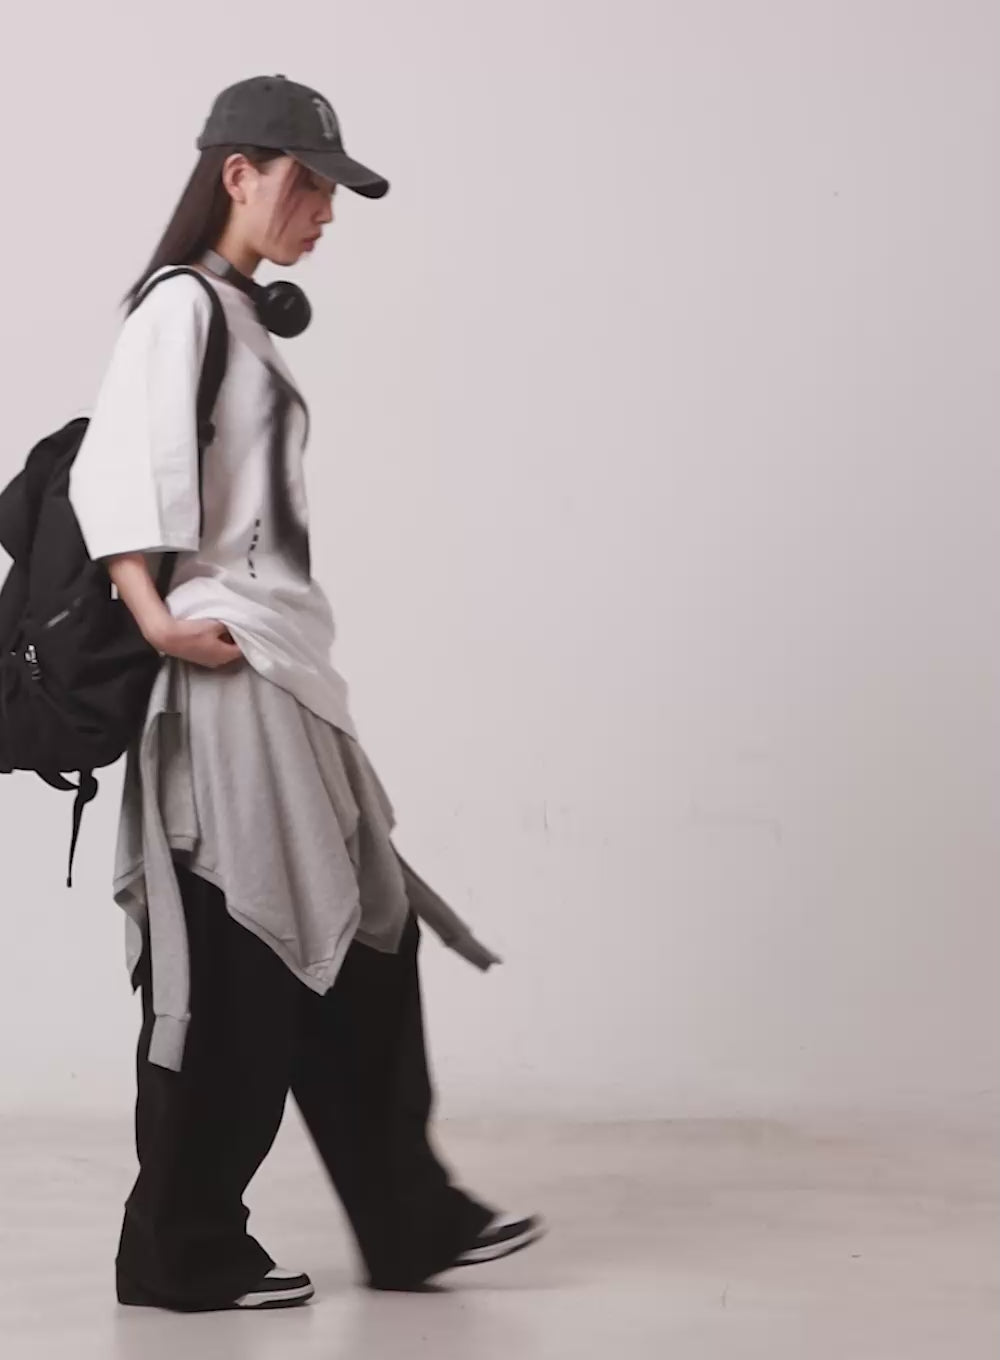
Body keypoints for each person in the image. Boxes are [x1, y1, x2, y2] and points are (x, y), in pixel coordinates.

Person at [68, 73, 544, 1313]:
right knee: (239, 955)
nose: (326, 210)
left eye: (334, 190)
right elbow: (114, 474)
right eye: (310, 183)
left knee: (368, 932)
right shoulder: (181, 307)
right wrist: (160, 620)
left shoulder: (243, 314)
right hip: (226, 680)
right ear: (239, 175)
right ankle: (179, 1250)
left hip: (288, 671)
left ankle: (409, 1218)